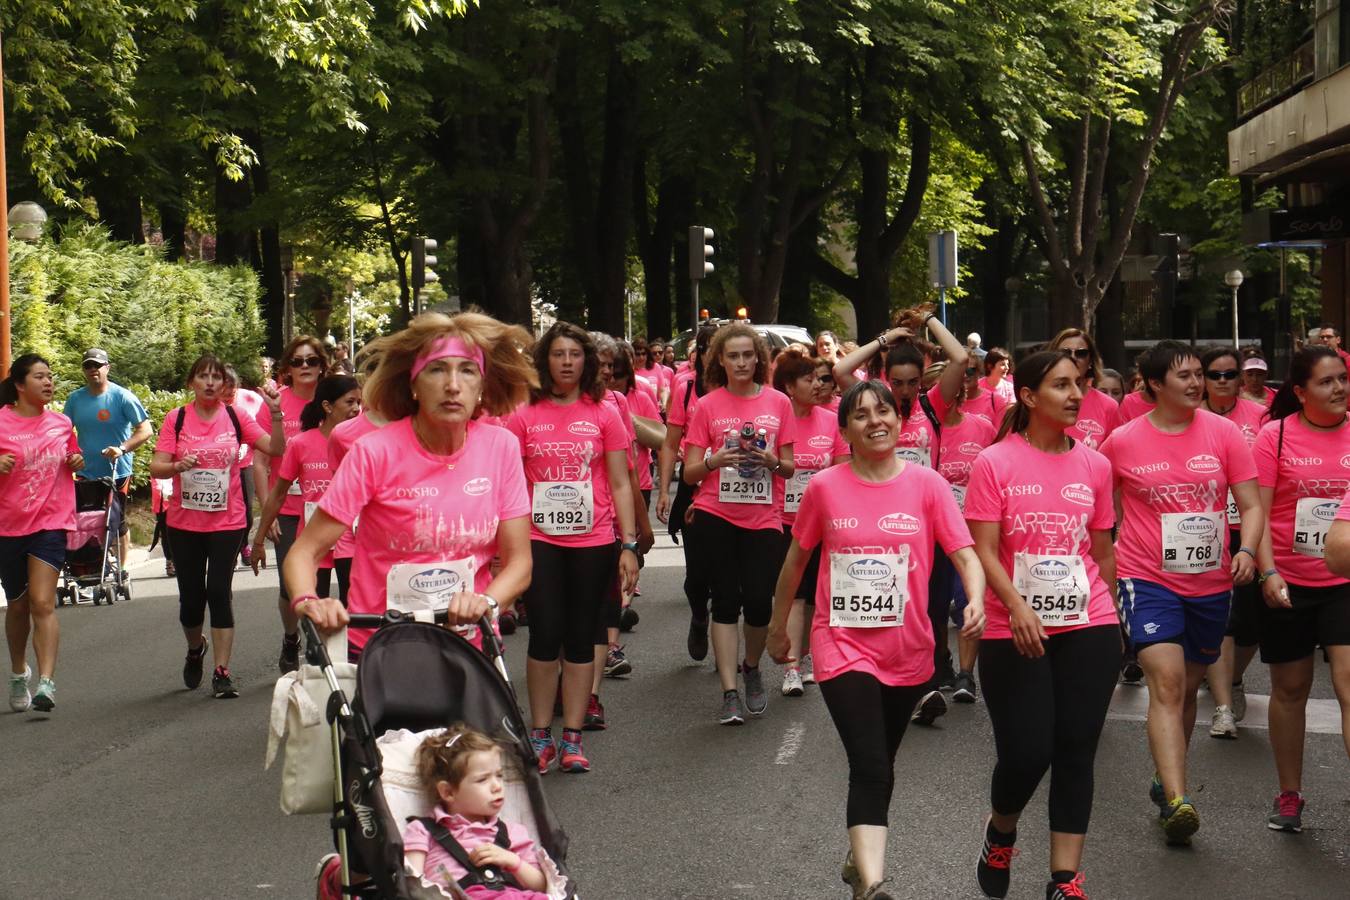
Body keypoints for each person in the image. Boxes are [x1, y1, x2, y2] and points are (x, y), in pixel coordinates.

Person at [767, 380, 985, 900]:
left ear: (898, 421)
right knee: (868, 764)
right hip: (841, 644)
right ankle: (873, 885)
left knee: (881, 765)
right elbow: (796, 561)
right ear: (845, 431)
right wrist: (779, 627)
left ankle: (858, 852)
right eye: (860, 415)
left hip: (909, 650)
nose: (874, 421)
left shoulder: (928, 485)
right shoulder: (825, 487)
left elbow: (964, 553)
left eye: (882, 410)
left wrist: (974, 598)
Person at [284, 312, 535, 661]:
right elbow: (304, 552)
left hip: (469, 647)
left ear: (482, 386)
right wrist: (309, 602)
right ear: (414, 385)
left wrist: (487, 602)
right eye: (437, 370)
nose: (452, 384)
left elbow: (519, 561)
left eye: (467, 370)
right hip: (381, 647)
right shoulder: (373, 452)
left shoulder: (501, 447)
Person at [963, 351, 1121, 900]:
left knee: (1077, 745)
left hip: (1088, 621)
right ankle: (1001, 830)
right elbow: (982, 550)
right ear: (1029, 397)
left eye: (1078, 384)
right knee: (1029, 751)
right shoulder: (995, 463)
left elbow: (1102, 552)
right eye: (1060, 386)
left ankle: (1064, 879)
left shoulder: (1095, 466)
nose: (1075, 394)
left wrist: (1113, 619)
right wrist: (1017, 607)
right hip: (1014, 629)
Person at [1099, 339, 1262, 846]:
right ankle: (1177, 799)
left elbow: (1251, 506)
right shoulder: (1122, 441)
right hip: (1145, 577)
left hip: (1212, 582)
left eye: (1199, 374)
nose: (1197, 384)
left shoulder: (1225, 433)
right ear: (1153, 385)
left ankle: (1165, 776)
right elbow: (1097, 509)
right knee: (1167, 683)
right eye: (1184, 376)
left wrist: (1248, 551)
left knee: (1187, 688)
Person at [507, 323, 640, 773]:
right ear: (545, 361)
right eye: (558, 354)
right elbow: (508, 483)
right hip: (539, 539)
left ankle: (573, 737)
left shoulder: (603, 412)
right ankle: (540, 733)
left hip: (594, 539)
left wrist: (629, 543)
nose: (566, 362)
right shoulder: (524, 413)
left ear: (587, 361)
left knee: (583, 638)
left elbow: (621, 482)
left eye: (574, 354)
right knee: (544, 635)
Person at [834, 306, 970, 724]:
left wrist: (927, 320)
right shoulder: (875, 410)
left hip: (928, 527)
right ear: (884, 380)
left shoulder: (932, 407)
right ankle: (894, 680)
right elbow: (841, 371)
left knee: (930, 610)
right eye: (897, 383)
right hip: (879, 526)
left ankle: (925, 685)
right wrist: (885, 338)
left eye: (913, 382)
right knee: (888, 607)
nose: (906, 390)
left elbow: (961, 359)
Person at [1250, 346, 1350, 833]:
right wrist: (1269, 573)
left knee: (1349, 685)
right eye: (1327, 382)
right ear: (1301, 391)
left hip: (1346, 581)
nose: (1339, 389)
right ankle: (1290, 794)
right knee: (1290, 689)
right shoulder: (1276, 435)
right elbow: (1258, 513)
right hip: (1289, 576)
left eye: (1343, 379)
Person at [150, 354, 286, 699]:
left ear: (224, 384)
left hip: (228, 519)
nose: (210, 382)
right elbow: (156, 466)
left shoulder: (236, 416)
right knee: (191, 599)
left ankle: (222, 672)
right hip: (184, 522)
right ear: (191, 383)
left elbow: (275, 447)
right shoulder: (176, 418)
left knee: (219, 591)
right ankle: (196, 648)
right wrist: (178, 465)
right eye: (203, 377)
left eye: (216, 377)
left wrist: (274, 413)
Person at [682, 323, 797, 724]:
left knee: (759, 603)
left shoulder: (779, 403)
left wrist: (772, 462)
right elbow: (690, 474)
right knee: (726, 601)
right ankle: (729, 690)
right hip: (716, 513)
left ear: (759, 359)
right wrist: (714, 460)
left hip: (764, 516)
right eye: (734, 356)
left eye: (748, 355)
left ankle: (751, 666)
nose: (742, 362)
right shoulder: (707, 405)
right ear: (721, 361)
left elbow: (790, 466)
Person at [2, 354, 83, 713]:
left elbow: (74, 455)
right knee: (18, 606)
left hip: (50, 523)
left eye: (50, 376)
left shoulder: (62, 423)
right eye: (39, 377)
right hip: (8, 526)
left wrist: (77, 461)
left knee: (42, 603)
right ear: (20, 385)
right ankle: (19, 671)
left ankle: (46, 683)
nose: (48, 382)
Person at [1197, 346, 1268, 739]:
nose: (1222, 381)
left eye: (1229, 374)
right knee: (1222, 619)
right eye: (1214, 374)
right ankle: (1222, 707)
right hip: (1204, 528)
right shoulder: (1192, 418)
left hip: (1251, 526)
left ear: (1241, 378)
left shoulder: (1261, 418)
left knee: (1253, 624)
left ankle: (1234, 679)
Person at [772, 349, 849, 697]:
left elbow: (842, 468)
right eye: (810, 379)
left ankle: (802, 658)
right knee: (796, 596)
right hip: (782, 520)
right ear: (789, 386)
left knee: (816, 599)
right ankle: (789, 667)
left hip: (821, 522)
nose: (818, 385)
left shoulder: (830, 420)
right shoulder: (775, 419)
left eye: (820, 379)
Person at [400, 726, 549, 899]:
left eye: (499, 775)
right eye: (483, 779)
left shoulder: (511, 832)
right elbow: (412, 884)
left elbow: (542, 886)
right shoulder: (423, 830)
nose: (497, 786)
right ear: (448, 792)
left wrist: (512, 861)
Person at [250, 375, 362, 600]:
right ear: (328, 406)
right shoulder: (301, 443)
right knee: (315, 612)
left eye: (359, 402)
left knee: (353, 612)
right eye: (350, 402)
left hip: (350, 541)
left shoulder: (365, 442)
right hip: (313, 540)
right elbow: (278, 494)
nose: (357, 408)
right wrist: (259, 540)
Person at [924, 361, 997, 701]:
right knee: (935, 606)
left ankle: (967, 674)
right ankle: (941, 658)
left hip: (972, 531)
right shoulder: (925, 431)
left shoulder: (982, 427)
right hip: (932, 533)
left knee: (970, 599)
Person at [257, 335, 329, 676]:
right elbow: (260, 461)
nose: (305, 368)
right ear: (287, 368)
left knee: (324, 580)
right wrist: (264, 511)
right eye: (297, 362)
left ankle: (321, 648)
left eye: (311, 361)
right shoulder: (276, 403)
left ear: (322, 365)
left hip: (327, 506)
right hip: (286, 508)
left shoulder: (334, 400)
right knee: (290, 584)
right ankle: (291, 638)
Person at [658, 324, 718, 661]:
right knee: (696, 576)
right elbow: (669, 443)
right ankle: (699, 614)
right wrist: (665, 490)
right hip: (695, 483)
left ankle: (724, 631)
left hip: (735, 486)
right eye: (708, 348)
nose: (714, 356)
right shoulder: (686, 387)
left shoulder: (746, 390)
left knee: (730, 577)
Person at [62, 347, 152, 569]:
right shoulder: (75, 399)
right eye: (88, 365)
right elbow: (63, 432)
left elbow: (145, 430)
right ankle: (89, 567)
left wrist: (122, 448)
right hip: (85, 472)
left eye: (97, 365)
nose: (93, 369)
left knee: (116, 521)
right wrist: (71, 455)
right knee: (86, 522)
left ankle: (121, 570)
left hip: (117, 471)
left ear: (107, 368)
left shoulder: (122, 397)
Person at [1046, 329, 1120, 450]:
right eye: (1065, 352)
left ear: (1090, 361)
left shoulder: (1108, 406)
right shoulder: (1040, 400)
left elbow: (1115, 454)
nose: (1073, 357)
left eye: (1081, 353)